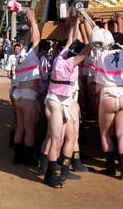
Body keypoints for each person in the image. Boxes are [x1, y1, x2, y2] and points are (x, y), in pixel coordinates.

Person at [85, 9, 123, 179]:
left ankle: (110, 167)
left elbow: (90, 37)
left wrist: (87, 18)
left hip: (107, 94)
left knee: (106, 133)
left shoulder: (101, 53)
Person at [43, 16, 90, 188]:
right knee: (56, 139)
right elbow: (85, 51)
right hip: (56, 102)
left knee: (61, 138)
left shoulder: (62, 55)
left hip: (60, 101)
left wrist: (76, 22)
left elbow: (71, 39)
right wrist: (96, 38)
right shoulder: (69, 61)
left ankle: (50, 171)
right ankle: (50, 175)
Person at [11, 10, 44, 166]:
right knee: (30, 129)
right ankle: (28, 157)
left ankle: (17, 157)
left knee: (20, 127)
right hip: (29, 96)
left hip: (18, 95)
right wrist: (34, 21)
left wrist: (30, 25)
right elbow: (36, 39)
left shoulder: (20, 57)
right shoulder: (31, 55)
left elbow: (30, 39)